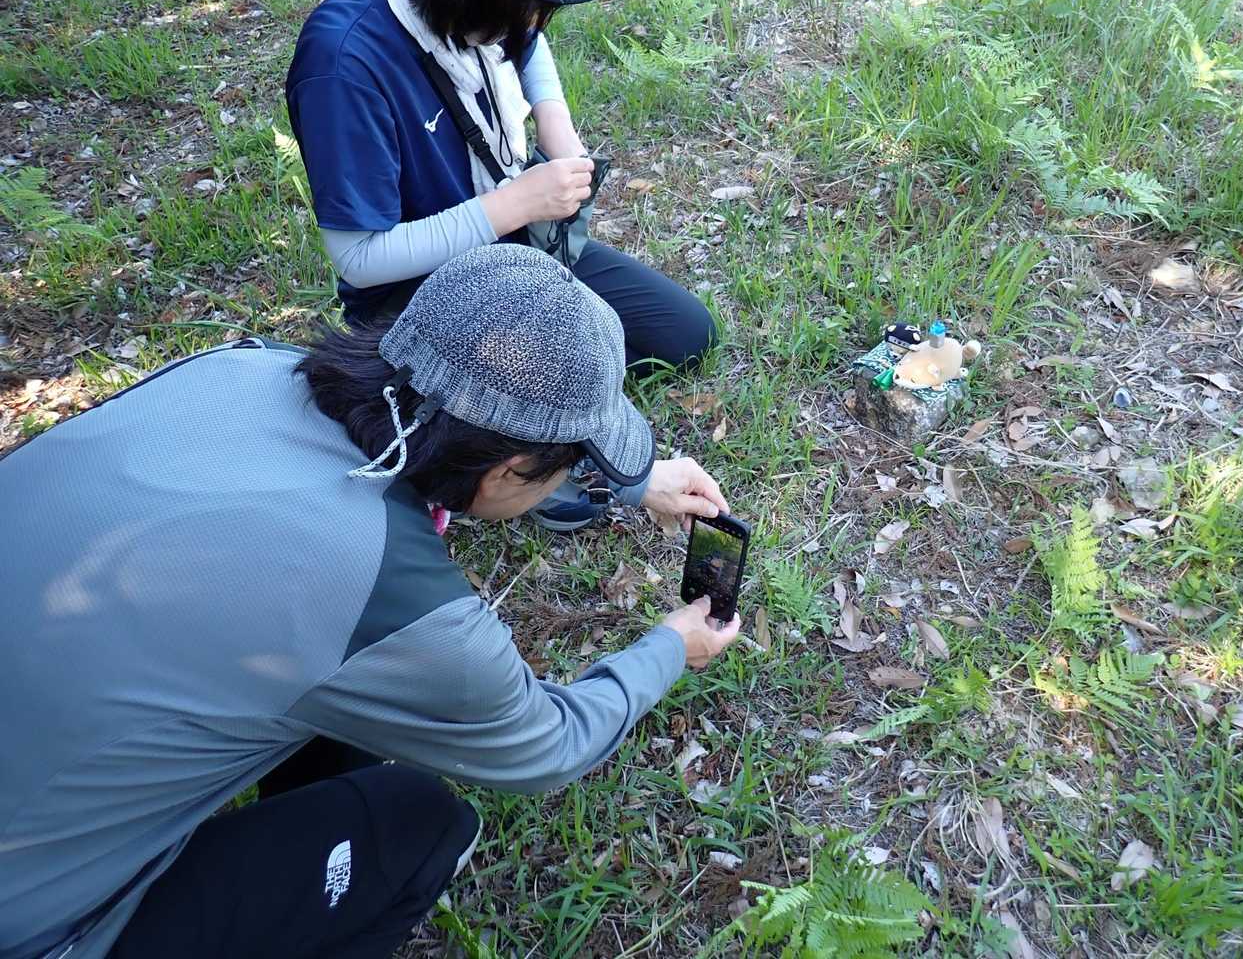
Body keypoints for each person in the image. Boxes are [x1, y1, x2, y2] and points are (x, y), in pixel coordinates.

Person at [0, 244, 742, 959]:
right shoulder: (393, 607)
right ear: (509, 471)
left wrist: (629, 482)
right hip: (33, 932)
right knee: (419, 826)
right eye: (569, 464)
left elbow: (444, 450)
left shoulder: (240, 366)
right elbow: (552, 743)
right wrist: (673, 646)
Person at [284, 0, 715, 364]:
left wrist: (553, 117)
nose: (534, 23)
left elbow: (525, 38)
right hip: (416, 292)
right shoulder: (343, 67)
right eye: (529, 5)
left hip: (511, 238)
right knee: (561, 373)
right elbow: (360, 260)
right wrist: (516, 203)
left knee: (685, 334)